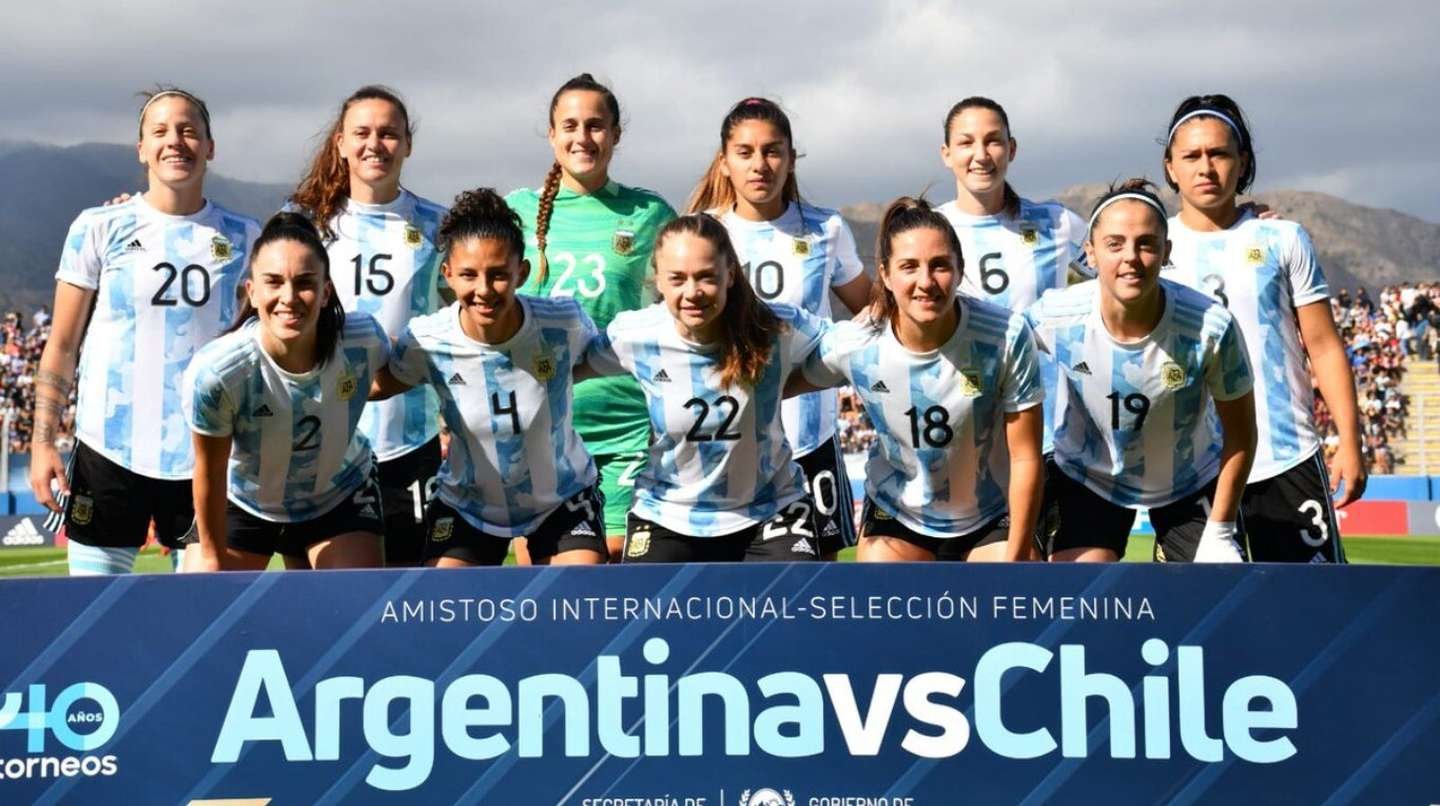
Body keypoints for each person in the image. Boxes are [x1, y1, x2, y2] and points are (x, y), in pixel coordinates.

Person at [28, 86, 259, 575]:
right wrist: (43, 441)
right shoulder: (99, 227)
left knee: (201, 622)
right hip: (108, 450)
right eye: (160, 131)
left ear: (210, 147)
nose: (175, 141)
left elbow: (257, 347)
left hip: (206, 454)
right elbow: (62, 345)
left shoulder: (244, 236)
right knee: (90, 620)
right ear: (142, 150)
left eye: (189, 131)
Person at [1160, 94, 1363, 563]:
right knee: (1195, 624)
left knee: (1313, 614)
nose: (1206, 167)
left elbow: (1323, 345)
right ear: (1170, 167)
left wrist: (1349, 441)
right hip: (1192, 467)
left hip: (1285, 454)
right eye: (1191, 156)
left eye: (1219, 153)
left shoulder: (1282, 237)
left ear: (1242, 161)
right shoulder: (1154, 250)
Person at [371, 189, 607, 566]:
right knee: (445, 609)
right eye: (468, 275)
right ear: (447, 274)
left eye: (498, 275)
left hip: (560, 498)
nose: (483, 290)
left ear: (522, 273)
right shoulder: (427, 340)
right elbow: (380, 384)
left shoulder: (563, 323)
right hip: (468, 505)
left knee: (575, 600)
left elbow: (606, 356)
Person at [801, 197, 1044, 562]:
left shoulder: (1005, 335)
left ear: (960, 270)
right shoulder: (857, 341)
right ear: (885, 274)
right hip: (898, 515)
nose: (925, 282)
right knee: (887, 603)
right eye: (909, 266)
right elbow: (775, 385)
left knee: (1011, 604)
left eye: (940, 266)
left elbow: (1025, 457)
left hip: (989, 515)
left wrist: (1018, 559)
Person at [1026, 180, 1257, 563]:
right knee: (1081, 601)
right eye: (1114, 244)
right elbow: (991, 350)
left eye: (1146, 243)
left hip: (1189, 478)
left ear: (1166, 252)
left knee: (1215, 598)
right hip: (1088, 476)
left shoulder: (1210, 327)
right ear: (1091, 253)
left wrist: (1220, 531)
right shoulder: (1055, 315)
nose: (1130, 257)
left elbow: (1243, 433)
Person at [687, 97, 870, 560]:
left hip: (811, 435)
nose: (760, 164)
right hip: (728, 439)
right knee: (726, 582)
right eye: (745, 152)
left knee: (817, 584)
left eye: (772, 151)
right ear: (724, 162)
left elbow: (870, 314)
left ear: (791, 158)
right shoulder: (704, 233)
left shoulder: (826, 229)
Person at [585, 214, 827, 563]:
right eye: (677, 279)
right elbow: (563, 367)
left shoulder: (778, 327)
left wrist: (781, 386)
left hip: (770, 508)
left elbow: (854, 354)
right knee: (647, 615)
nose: (692, 292)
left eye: (706, 277)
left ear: (730, 273)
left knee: (792, 611)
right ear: (659, 281)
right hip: (668, 513)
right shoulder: (633, 335)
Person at [506, 73, 677, 562]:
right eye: (570, 125)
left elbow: (678, 308)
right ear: (552, 133)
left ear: (616, 134)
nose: (583, 137)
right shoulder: (518, 210)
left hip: (626, 423)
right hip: (541, 428)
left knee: (611, 563)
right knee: (551, 585)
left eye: (596, 125)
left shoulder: (648, 212)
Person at [288, 85, 446, 567]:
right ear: (340, 143)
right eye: (362, 133)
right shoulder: (302, 222)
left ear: (408, 144)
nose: (375, 144)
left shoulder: (439, 225)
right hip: (316, 442)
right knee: (324, 602)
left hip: (409, 440)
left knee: (409, 602)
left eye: (389, 133)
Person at [182, 213, 388, 571]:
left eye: (305, 282)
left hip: (338, 494)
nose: (289, 297)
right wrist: (213, 560)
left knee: (354, 613)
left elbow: (397, 373)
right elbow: (210, 470)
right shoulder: (218, 372)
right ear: (253, 291)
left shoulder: (363, 338)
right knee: (207, 613)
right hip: (245, 502)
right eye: (273, 282)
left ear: (326, 292)